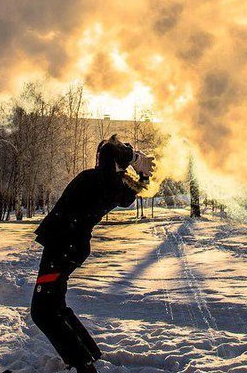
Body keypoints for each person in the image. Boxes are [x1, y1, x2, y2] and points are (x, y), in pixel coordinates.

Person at [30, 135, 155, 373]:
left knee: (43, 312)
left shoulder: (96, 180)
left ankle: (83, 364)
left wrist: (131, 158)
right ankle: (89, 354)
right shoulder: (115, 187)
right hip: (69, 249)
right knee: (55, 305)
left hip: (62, 248)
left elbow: (108, 155)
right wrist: (141, 170)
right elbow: (130, 189)